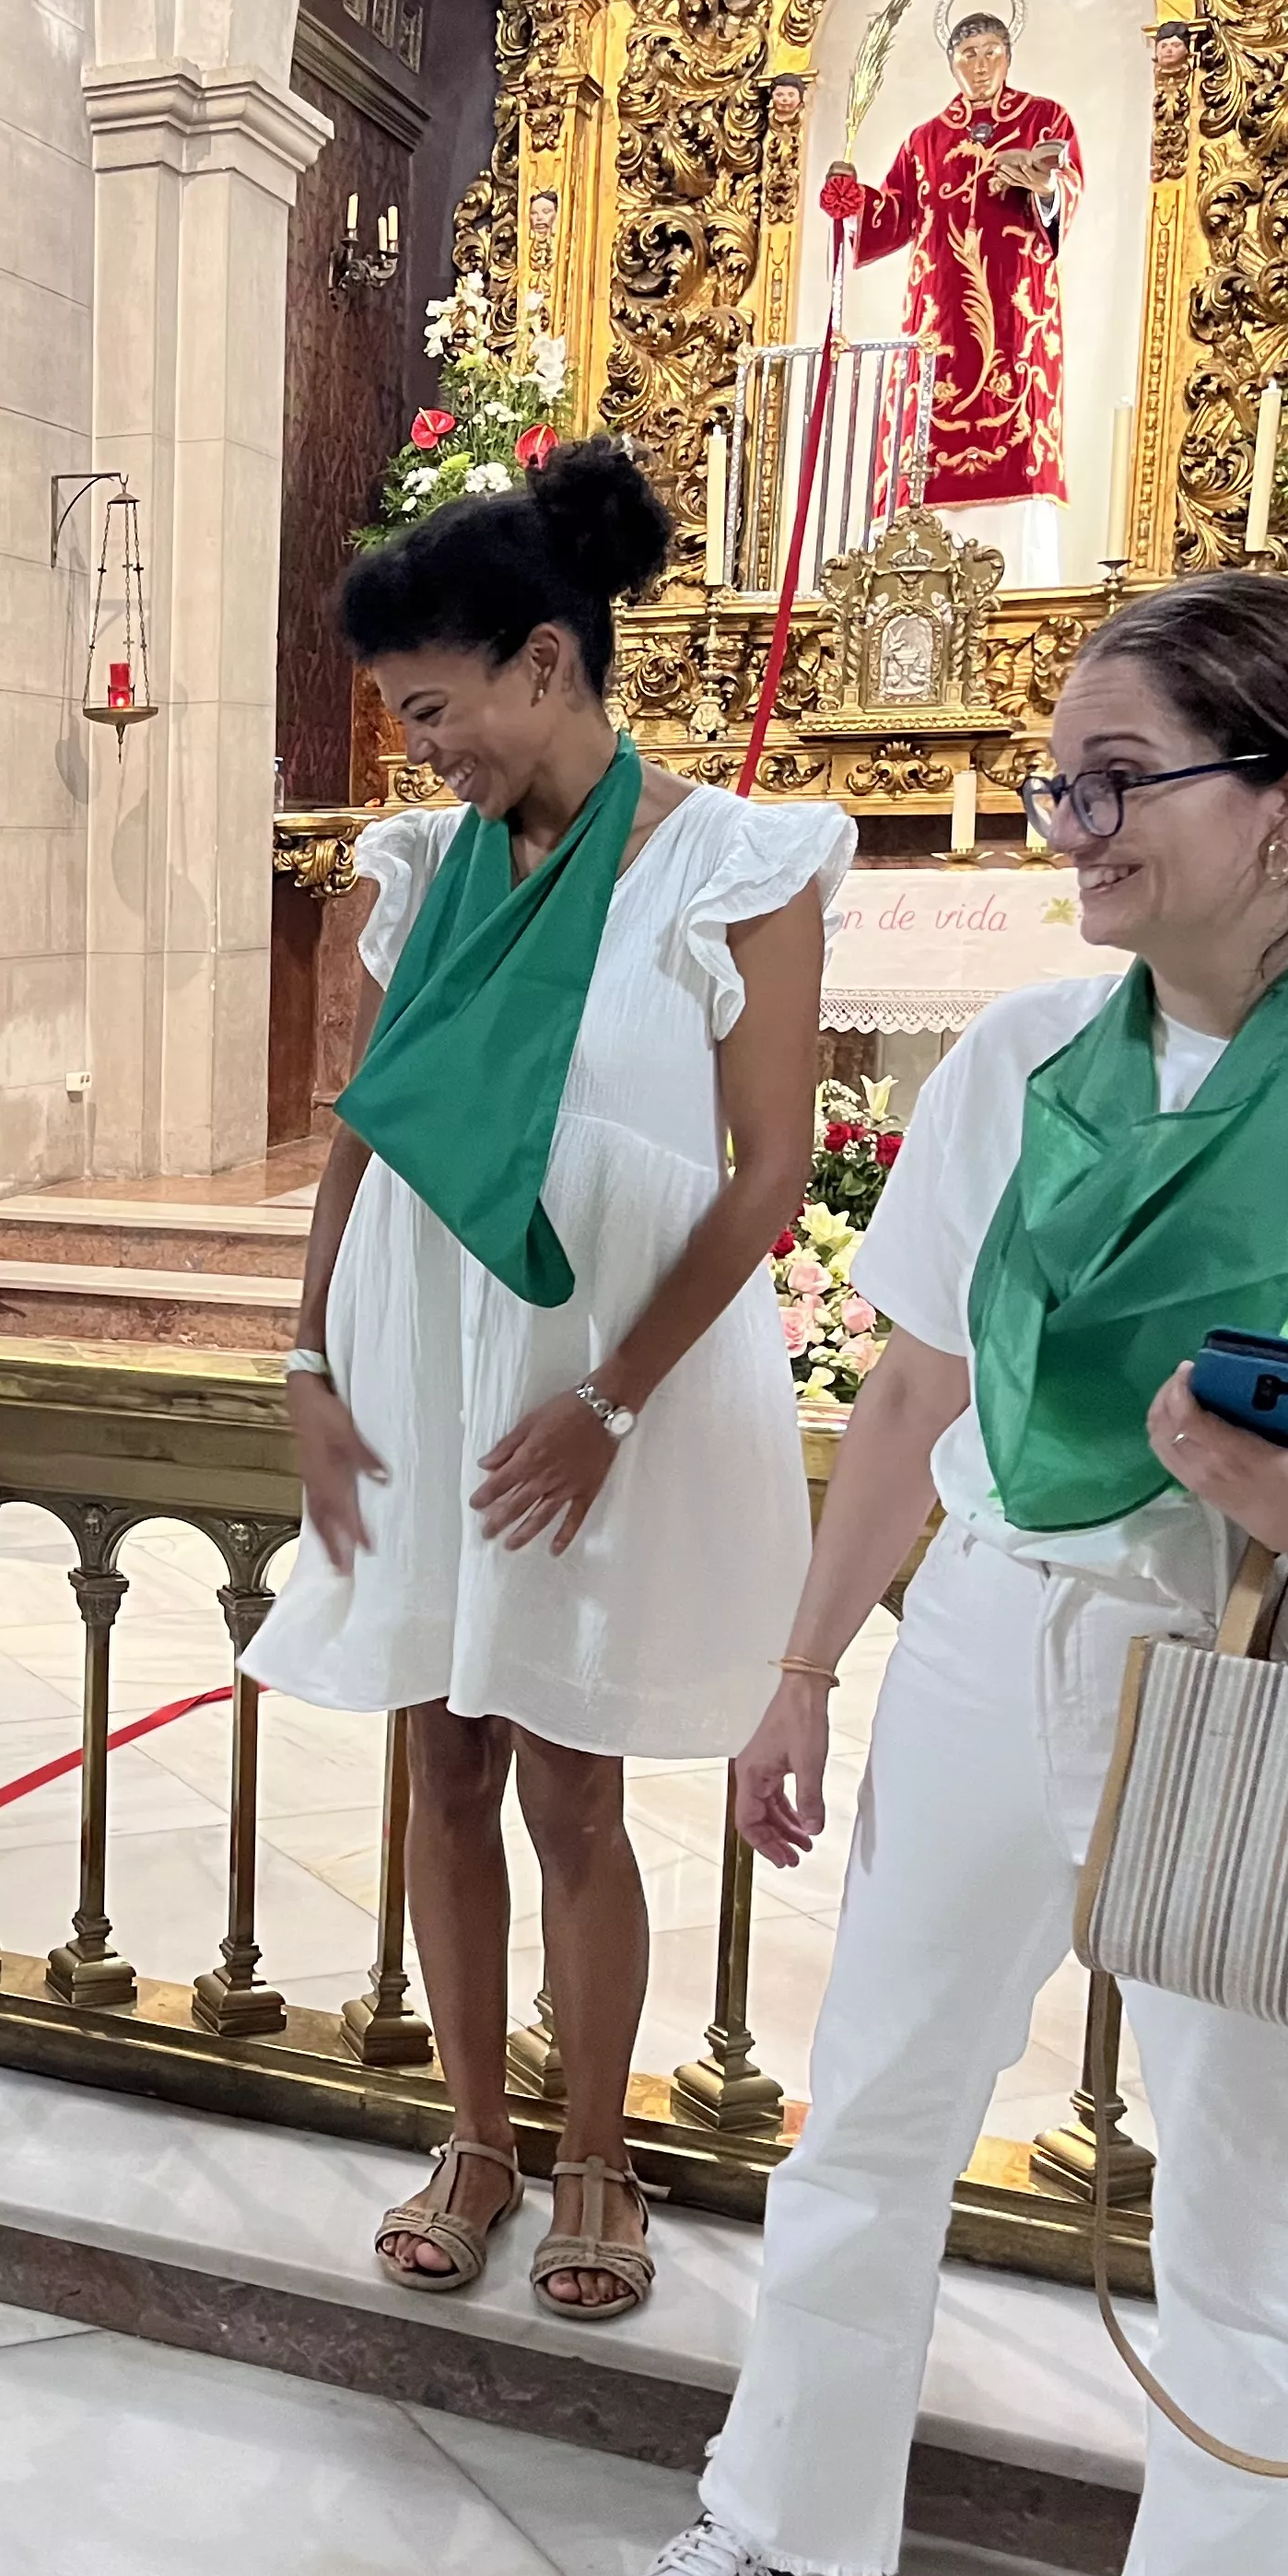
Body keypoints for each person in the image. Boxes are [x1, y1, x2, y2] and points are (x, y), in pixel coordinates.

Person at [620, 573, 1288, 2576]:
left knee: (1248, 2177)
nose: (1067, 823)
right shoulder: (1019, 1058)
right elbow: (913, 1389)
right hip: (1002, 1627)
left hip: (1272, 1670)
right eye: (1058, 780)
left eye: (1118, 781)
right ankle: (779, 2513)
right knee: (877, 2107)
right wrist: (802, 1673)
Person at [246, 444, 849, 2319]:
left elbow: (767, 1174)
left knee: (571, 1778)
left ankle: (597, 2153)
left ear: (542, 660)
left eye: (435, 709)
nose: (421, 750)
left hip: (602, 1376)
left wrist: (606, 1407)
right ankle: (476, 2138)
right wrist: (308, 1351)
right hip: (427, 1351)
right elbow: (369, 1121)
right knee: (439, 1755)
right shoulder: (423, 866)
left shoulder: (733, 860)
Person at [825, 4, 1083, 582]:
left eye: (991, 52)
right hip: (935, 330)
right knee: (921, 458)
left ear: (1009, 56)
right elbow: (891, 216)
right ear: (952, 64)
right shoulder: (925, 140)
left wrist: (1043, 186)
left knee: (1016, 443)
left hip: (1017, 326)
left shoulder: (1046, 119)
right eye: (968, 55)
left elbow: (1067, 190)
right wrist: (852, 201)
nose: (981, 65)